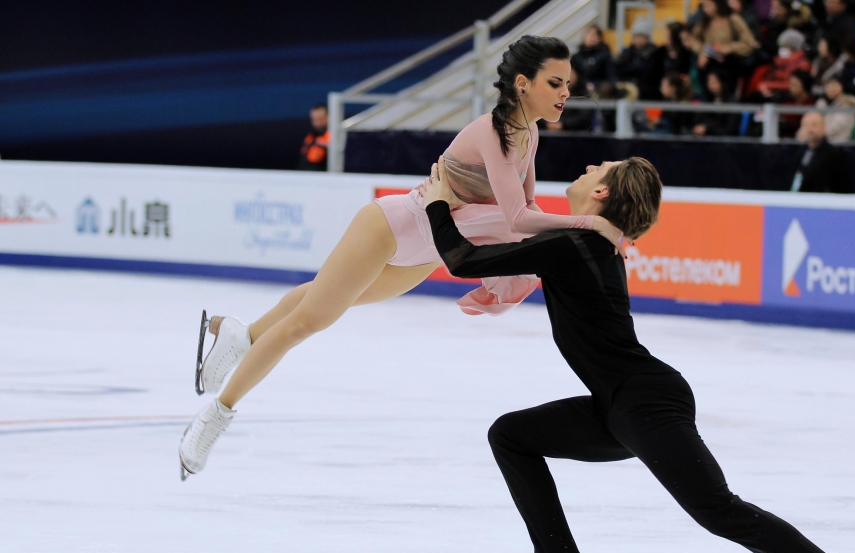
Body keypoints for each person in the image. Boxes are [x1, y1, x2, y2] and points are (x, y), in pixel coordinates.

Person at [419, 154, 855, 553]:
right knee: (512, 434)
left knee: (718, 510)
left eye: (600, 168)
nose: (590, 165)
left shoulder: (579, 243)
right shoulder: (584, 242)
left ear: (601, 196)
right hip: (618, 404)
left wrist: (439, 204)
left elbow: (463, 261)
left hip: (646, 400)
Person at [177, 36, 623, 478]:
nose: (566, 92)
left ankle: (239, 334)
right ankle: (215, 416)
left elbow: (528, 211)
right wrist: (589, 224)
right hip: (391, 228)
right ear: (524, 83)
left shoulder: (531, 133)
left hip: (426, 253)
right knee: (309, 320)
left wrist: (576, 233)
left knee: (327, 298)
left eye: (567, 83)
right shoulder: (493, 131)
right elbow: (518, 217)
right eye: (556, 82)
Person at [690, 0, 760, 82]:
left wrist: (728, 48)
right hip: (709, 64)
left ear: (717, 4)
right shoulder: (703, 21)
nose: (705, 9)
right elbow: (694, 39)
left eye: (708, 5)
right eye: (704, 6)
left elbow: (749, 43)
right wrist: (704, 50)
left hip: (729, 64)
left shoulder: (732, 19)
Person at [791, 111, 854, 192]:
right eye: (805, 125)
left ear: (823, 127)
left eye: (814, 125)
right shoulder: (800, 151)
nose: (810, 129)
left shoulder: (834, 154)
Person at [615, 17, 660, 100]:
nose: (638, 39)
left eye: (641, 36)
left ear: (647, 37)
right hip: (627, 87)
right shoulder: (626, 52)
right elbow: (620, 69)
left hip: (647, 90)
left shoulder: (654, 53)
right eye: (636, 36)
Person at [691, 69, 742, 136]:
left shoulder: (731, 103)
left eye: (714, 81)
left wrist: (708, 128)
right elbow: (699, 119)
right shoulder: (706, 100)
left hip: (724, 141)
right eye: (709, 82)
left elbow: (730, 128)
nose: (711, 85)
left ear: (722, 82)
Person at [815, 75, 855, 142]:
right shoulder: (821, 103)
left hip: (840, 141)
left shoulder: (847, 104)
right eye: (828, 85)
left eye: (834, 85)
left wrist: (817, 133)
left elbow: (837, 126)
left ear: (842, 86)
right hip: (821, 140)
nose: (831, 88)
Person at [571, 24, 615, 91]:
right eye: (589, 33)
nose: (591, 37)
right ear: (584, 36)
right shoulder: (576, 57)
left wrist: (595, 85)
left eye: (595, 35)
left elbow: (610, 77)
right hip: (579, 90)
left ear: (600, 38)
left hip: (600, 91)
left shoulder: (605, 56)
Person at [297, 104, 330, 171]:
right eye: (314, 119)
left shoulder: (335, 136)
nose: (317, 123)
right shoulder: (311, 136)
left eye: (321, 119)